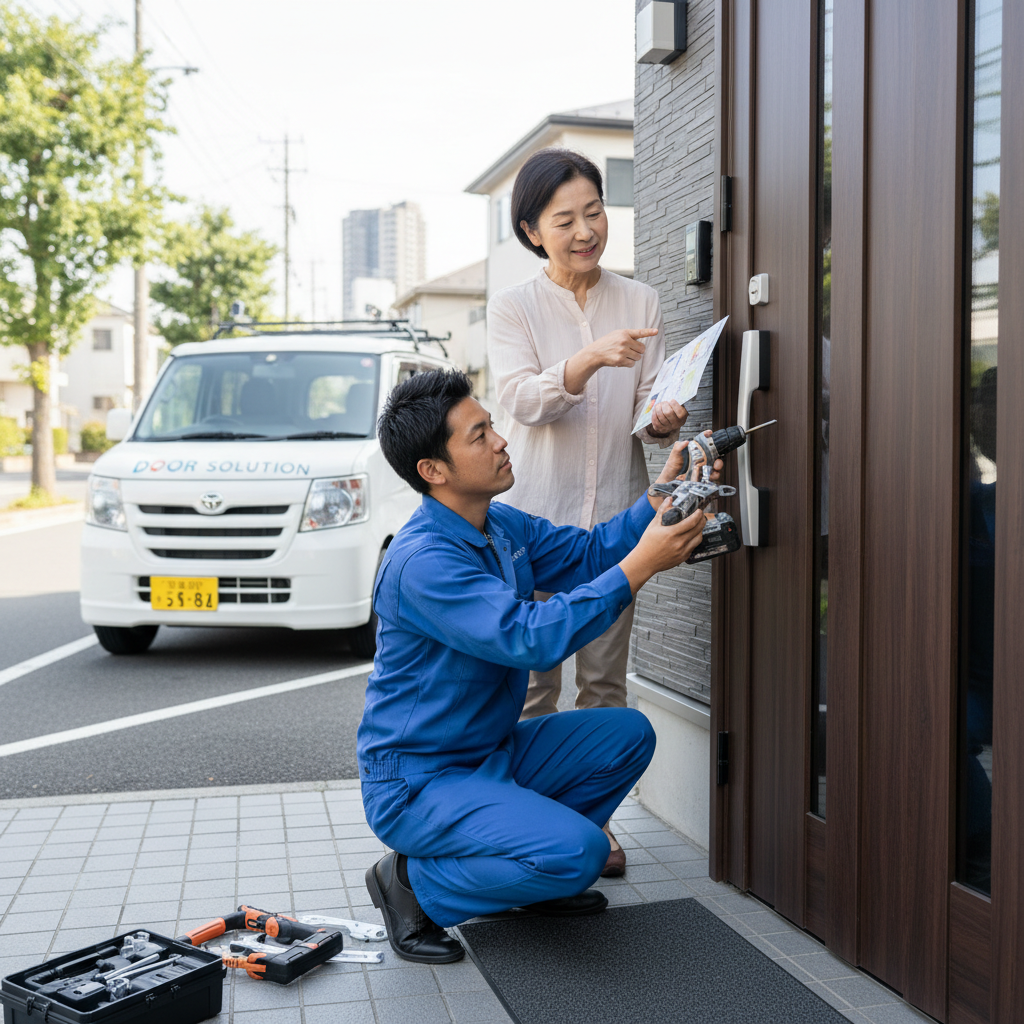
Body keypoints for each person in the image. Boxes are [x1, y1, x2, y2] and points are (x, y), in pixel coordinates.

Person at [357, 369, 719, 965]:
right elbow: (530, 639)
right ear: (434, 471)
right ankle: (413, 887)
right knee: (582, 855)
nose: (501, 441)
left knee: (626, 734)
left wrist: (661, 496)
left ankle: (532, 875)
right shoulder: (423, 562)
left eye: (492, 426)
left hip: (489, 756)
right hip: (419, 782)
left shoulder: (500, 525)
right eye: (480, 436)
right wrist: (643, 565)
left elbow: (588, 553)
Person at [487, 149, 688, 874]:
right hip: (533, 525)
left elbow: (643, 411)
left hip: (614, 529)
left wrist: (662, 418)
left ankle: (591, 824)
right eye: (565, 219)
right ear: (533, 230)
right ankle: (524, 824)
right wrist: (587, 360)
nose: (585, 231)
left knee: (604, 682)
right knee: (531, 683)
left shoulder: (640, 301)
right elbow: (520, 401)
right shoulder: (514, 306)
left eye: (594, 211)